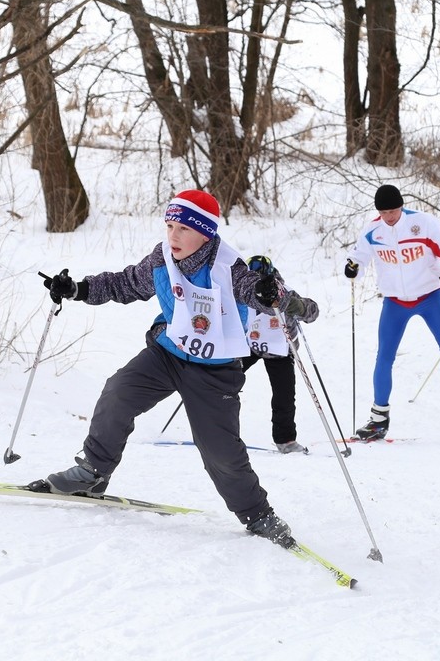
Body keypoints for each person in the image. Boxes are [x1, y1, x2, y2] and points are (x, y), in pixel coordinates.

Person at [33, 189, 299, 548]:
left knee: (220, 451)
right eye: (169, 226)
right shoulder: (162, 258)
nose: (173, 236)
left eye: (183, 229)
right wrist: (78, 289)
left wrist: (270, 293)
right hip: (167, 353)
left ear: (205, 232)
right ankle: (93, 473)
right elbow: (124, 283)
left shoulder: (228, 267)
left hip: (215, 370)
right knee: (118, 392)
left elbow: (256, 291)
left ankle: (257, 514)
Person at [344, 184, 440, 441]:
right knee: (384, 357)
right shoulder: (372, 230)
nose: (390, 216)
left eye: (394, 210)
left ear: (401, 207)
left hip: (429, 297)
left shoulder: (423, 223)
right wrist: (352, 268)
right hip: (395, 302)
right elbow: (357, 259)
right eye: (384, 212)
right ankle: (378, 419)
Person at [242, 255, 320, 454]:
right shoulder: (242, 290)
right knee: (223, 379)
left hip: (280, 350)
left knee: (284, 396)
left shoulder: (283, 292)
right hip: (249, 344)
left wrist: (296, 306)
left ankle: (286, 440)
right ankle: (214, 431)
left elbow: (312, 312)